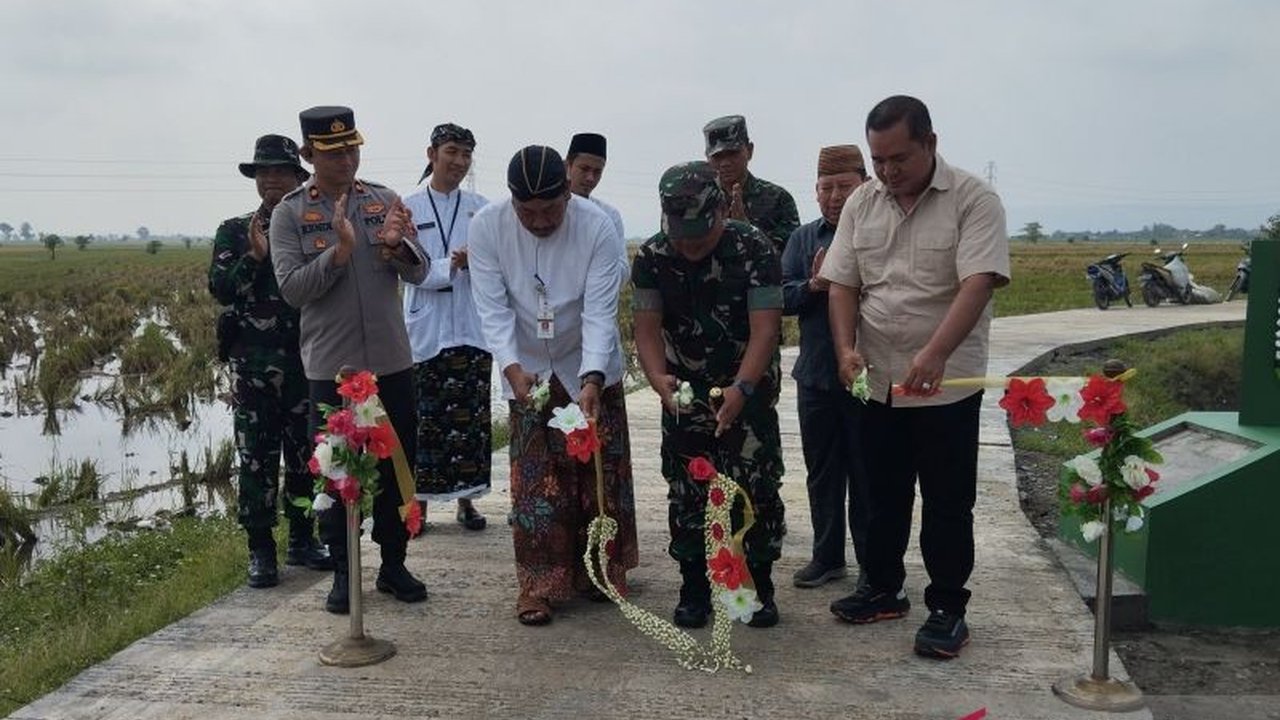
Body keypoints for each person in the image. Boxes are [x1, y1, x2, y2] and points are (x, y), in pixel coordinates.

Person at [820, 95, 1011, 659]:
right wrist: (845, 349)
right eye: (878, 160)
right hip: (877, 378)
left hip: (945, 386)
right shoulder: (862, 202)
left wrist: (935, 353)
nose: (887, 171)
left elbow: (978, 282)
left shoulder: (974, 199)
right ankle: (883, 588)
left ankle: (948, 607)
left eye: (898, 158)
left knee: (947, 501)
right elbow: (842, 284)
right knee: (881, 494)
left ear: (930, 143)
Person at [468, 145, 638, 627]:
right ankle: (538, 585)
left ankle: (600, 572)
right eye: (528, 212)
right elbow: (492, 309)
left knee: (599, 477)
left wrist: (592, 377)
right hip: (526, 368)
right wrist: (510, 367)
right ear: (512, 201)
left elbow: (600, 310)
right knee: (536, 482)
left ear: (567, 194)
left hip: (588, 359)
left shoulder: (596, 226)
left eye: (550, 210)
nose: (540, 222)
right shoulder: (487, 227)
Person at [270, 106, 430, 614]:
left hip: (390, 363)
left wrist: (397, 245)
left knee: (396, 469)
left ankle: (393, 564)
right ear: (308, 154)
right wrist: (337, 254)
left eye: (352, 149)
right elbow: (293, 290)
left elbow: (420, 272)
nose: (346, 160)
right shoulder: (291, 214)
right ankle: (344, 571)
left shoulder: (383, 200)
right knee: (339, 474)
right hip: (333, 371)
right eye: (334, 152)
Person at [632, 160, 786, 629]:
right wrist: (656, 378)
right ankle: (694, 588)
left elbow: (765, 329)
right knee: (688, 491)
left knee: (754, 488)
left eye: (699, 236)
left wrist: (743, 387)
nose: (690, 247)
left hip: (748, 388)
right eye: (681, 237)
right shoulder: (653, 256)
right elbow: (646, 328)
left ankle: (755, 586)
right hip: (684, 394)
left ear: (721, 211)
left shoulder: (754, 247)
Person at [209, 134, 332, 589]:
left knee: (306, 455)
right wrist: (254, 258)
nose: (271, 179)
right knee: (256, 460)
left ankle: (302, 538)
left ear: (298, 177)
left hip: (307, 362)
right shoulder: (234, 230)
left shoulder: (312, 227)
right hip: (253, 369)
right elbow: (221, 289)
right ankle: (261, 550)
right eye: (263, 172)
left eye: (281, 171)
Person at [781, 144, 871, 590]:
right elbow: (780, 297)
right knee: (822, 473)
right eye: (826, 188)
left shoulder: (878, 232)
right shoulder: (803, 239)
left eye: (844, 187)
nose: (835, 197)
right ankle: (827, 556)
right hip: (815, 376)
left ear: (865, 186)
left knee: (869, 473)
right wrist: (814, 285)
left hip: (868, 377)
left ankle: (873, 563)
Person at [402, 123, 491, 532]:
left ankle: (467, 501)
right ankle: (418, 504)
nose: (459, 161)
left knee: (470, 421)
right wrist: (450, 266)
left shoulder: (481, 209)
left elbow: (497, 263)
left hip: (471, 325)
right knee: (425, 420)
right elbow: (405, 265)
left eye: (466, 154)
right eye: (452, 151)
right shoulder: (407, 207)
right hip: (428, 327)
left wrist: (476, 261)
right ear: (432, 154)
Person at [702, 115, 799, 255]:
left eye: (732, 153)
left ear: (750, 150)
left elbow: (791, 256)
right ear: (707, 158)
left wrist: (747, 231)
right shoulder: (701, 200)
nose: (725, 163)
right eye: (717, 156)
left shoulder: (778, 199)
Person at [565, 132, 625, 242]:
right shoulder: (548, 210)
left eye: (597, 171)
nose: (590, 178)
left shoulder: (610, 216)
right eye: (584, 169)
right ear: (568, 166)